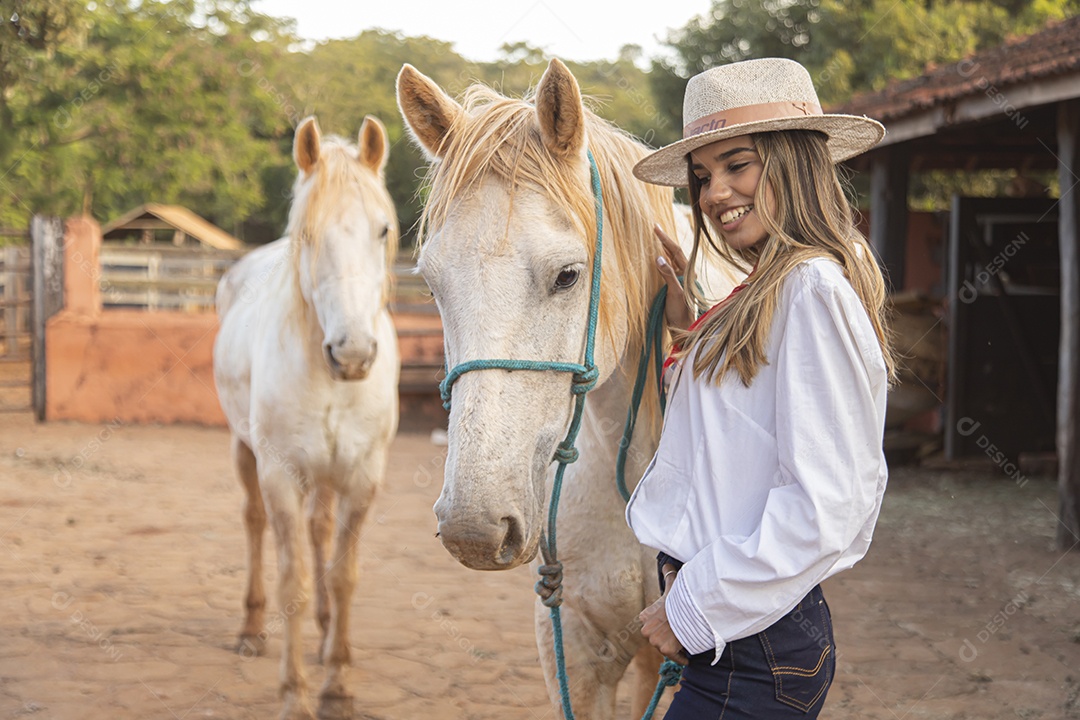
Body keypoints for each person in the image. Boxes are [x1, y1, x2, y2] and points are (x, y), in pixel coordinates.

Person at [625, 57, 895, 718]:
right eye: (702, 176)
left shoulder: (810, 291)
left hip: (751, 645)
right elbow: (733, 431)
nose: (715, 193)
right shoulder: (774, 290)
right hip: (749, 637)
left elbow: (825, 506)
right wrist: (691, 336)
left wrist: (690, 609)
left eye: (737, 164)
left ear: (793, 160)